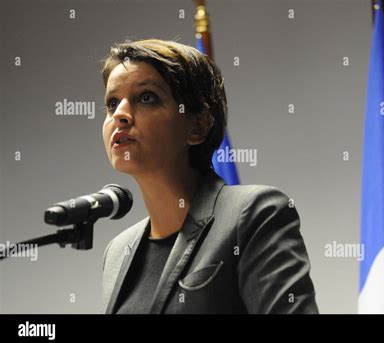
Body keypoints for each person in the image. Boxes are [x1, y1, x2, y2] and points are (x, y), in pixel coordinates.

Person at [100, 39, 318, 314]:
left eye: (146, 97)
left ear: (198, 125)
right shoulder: (117, 252)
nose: (120, 114)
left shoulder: (252, 213)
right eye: (112, 103)